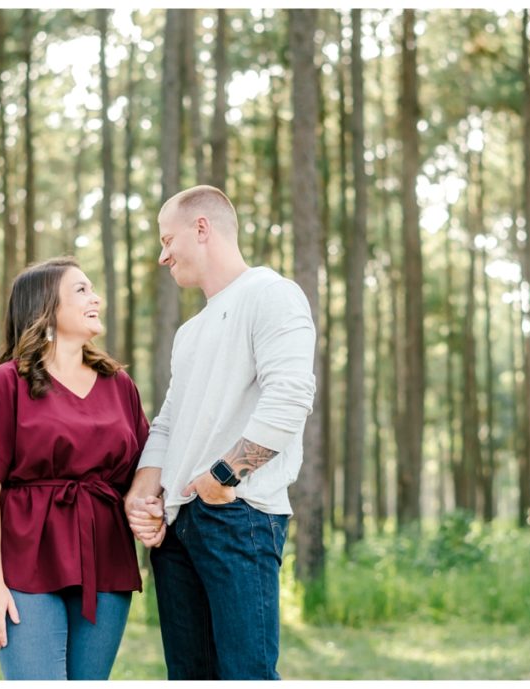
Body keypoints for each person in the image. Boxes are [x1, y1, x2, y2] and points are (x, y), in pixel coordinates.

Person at [125, 185, 316, 680]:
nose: (162, 255)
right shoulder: (190, 332)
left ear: (202, 229)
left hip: (237, 517)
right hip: (177, 528)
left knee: (244, 674)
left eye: (168, 240)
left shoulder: (272, 294)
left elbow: (291, 396)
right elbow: (169, 421)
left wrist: (223, 477)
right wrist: (142, 495)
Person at [0, 257, 150, 680]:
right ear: (46, 306)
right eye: (81, 290)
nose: (95, 297)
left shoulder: (119, 385)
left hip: (105, 559)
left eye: (92, 288)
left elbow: (144, 470)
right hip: (25, 560)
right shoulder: (7, 382)